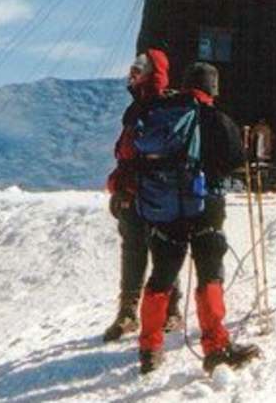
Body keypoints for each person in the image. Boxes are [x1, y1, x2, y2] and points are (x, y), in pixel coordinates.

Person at [136, 62, 260, 375]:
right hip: (206, 205)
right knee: (209, 275)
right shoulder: (216, 119)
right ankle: (216, 347)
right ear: (212, 89)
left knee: (161, 275)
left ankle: (149, 348)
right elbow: (235, 159)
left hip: (165, 207)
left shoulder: (161, 114)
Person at [103, 49, 182, 342]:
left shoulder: (168, 106)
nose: (132, 74)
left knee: (163, 251)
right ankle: (128, 311)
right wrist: (119, 185)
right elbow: (126, 155)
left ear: (152, 73)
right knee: (134, 250)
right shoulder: (135, 109)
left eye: (138, 69)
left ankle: (171, 309)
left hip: (160, 192)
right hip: (134, 193)